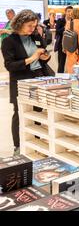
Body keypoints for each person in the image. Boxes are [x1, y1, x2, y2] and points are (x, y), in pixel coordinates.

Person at [2, 10, 53, 154]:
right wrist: (31, 58)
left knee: (38, 112)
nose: (33, 29)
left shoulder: (35, 36)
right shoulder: (8, 41)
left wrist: (45, 57)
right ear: (20, 24)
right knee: (20, 113)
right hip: (21, 81)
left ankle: (36, 142)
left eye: (34, 25)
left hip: (40, 79)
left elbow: (44, 54)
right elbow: (10, 66)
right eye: (30, 26)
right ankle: (18, 146)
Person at [54, 6, 72, 73]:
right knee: (61, 62)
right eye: (68, 11)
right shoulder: (60, 20)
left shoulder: (73, 21)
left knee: (71, 63)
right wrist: (65, 27)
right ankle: (60, 77)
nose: (70, 13)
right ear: (65, 12)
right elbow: (58, 31)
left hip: (71, 45)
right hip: (61, 44)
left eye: (71, 12)